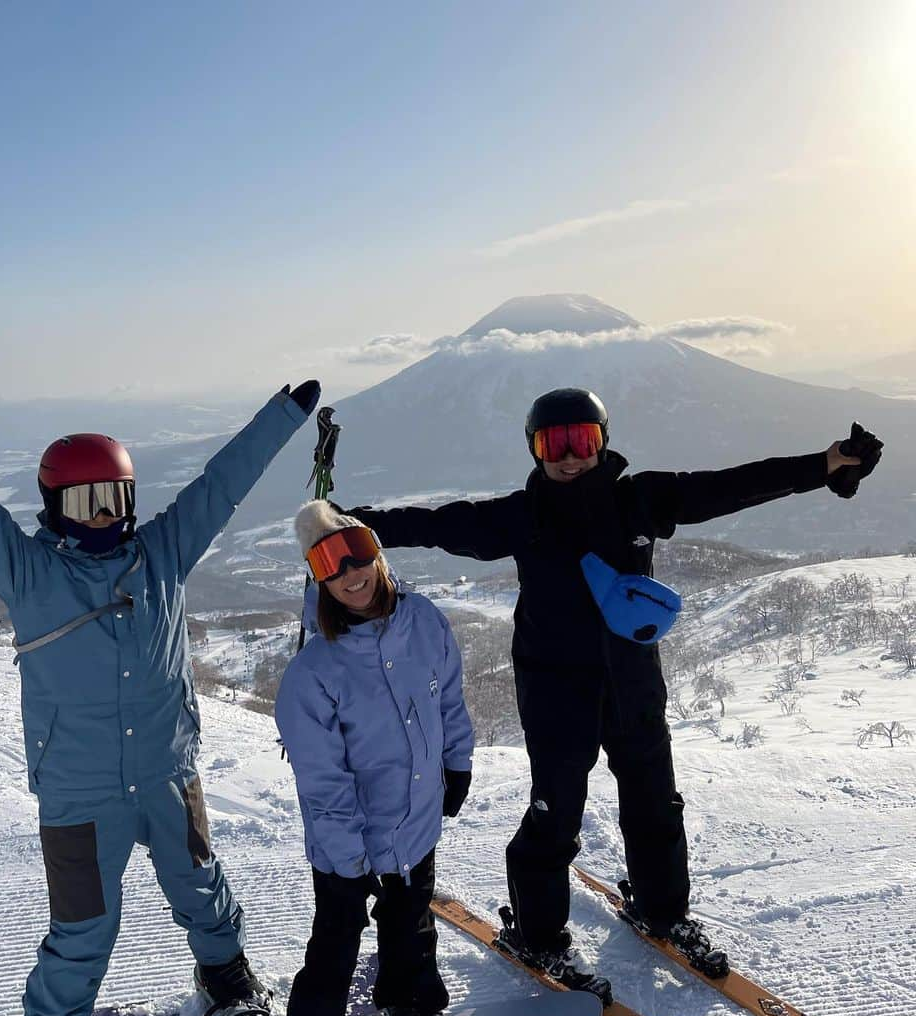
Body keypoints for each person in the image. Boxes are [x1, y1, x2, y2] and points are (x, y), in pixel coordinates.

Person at [0, 369, 321, 1016]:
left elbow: (222, 482)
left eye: (114, 498)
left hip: (167, 771)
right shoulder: (27, 571)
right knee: (82, 934)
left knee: (201, 887)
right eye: (86, 500)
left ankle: (228, 981)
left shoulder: (163, 553)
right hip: (79, 792)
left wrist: (281, 416)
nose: (102, 514)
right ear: (55, 505)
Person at [347, 387, 883, 985]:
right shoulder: (520, 517)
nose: (570, 456)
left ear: (603, 442)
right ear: (534, 449)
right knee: (556, 811)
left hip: (633, 682)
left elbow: (731, 486)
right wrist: (350, 525)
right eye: (555, 443)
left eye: (584, 440)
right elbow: (435, 525)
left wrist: (824, 464)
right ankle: (537, 933)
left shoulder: (642, 500)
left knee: (656, 800)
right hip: (554, 690)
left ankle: (662, 911)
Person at [268, 501, 474, 1016]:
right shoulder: (313, 673)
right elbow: (322, 782)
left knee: (410, 923)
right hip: (348, 844)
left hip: (415, 822)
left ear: (376, 552)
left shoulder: (425, 621)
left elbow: (449, 699)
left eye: (356, 553)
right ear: (317, 577)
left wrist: (457, 762)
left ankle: (413, 1007)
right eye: (329, 564)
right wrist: (347, 856)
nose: (349, 574)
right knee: (334, 950)